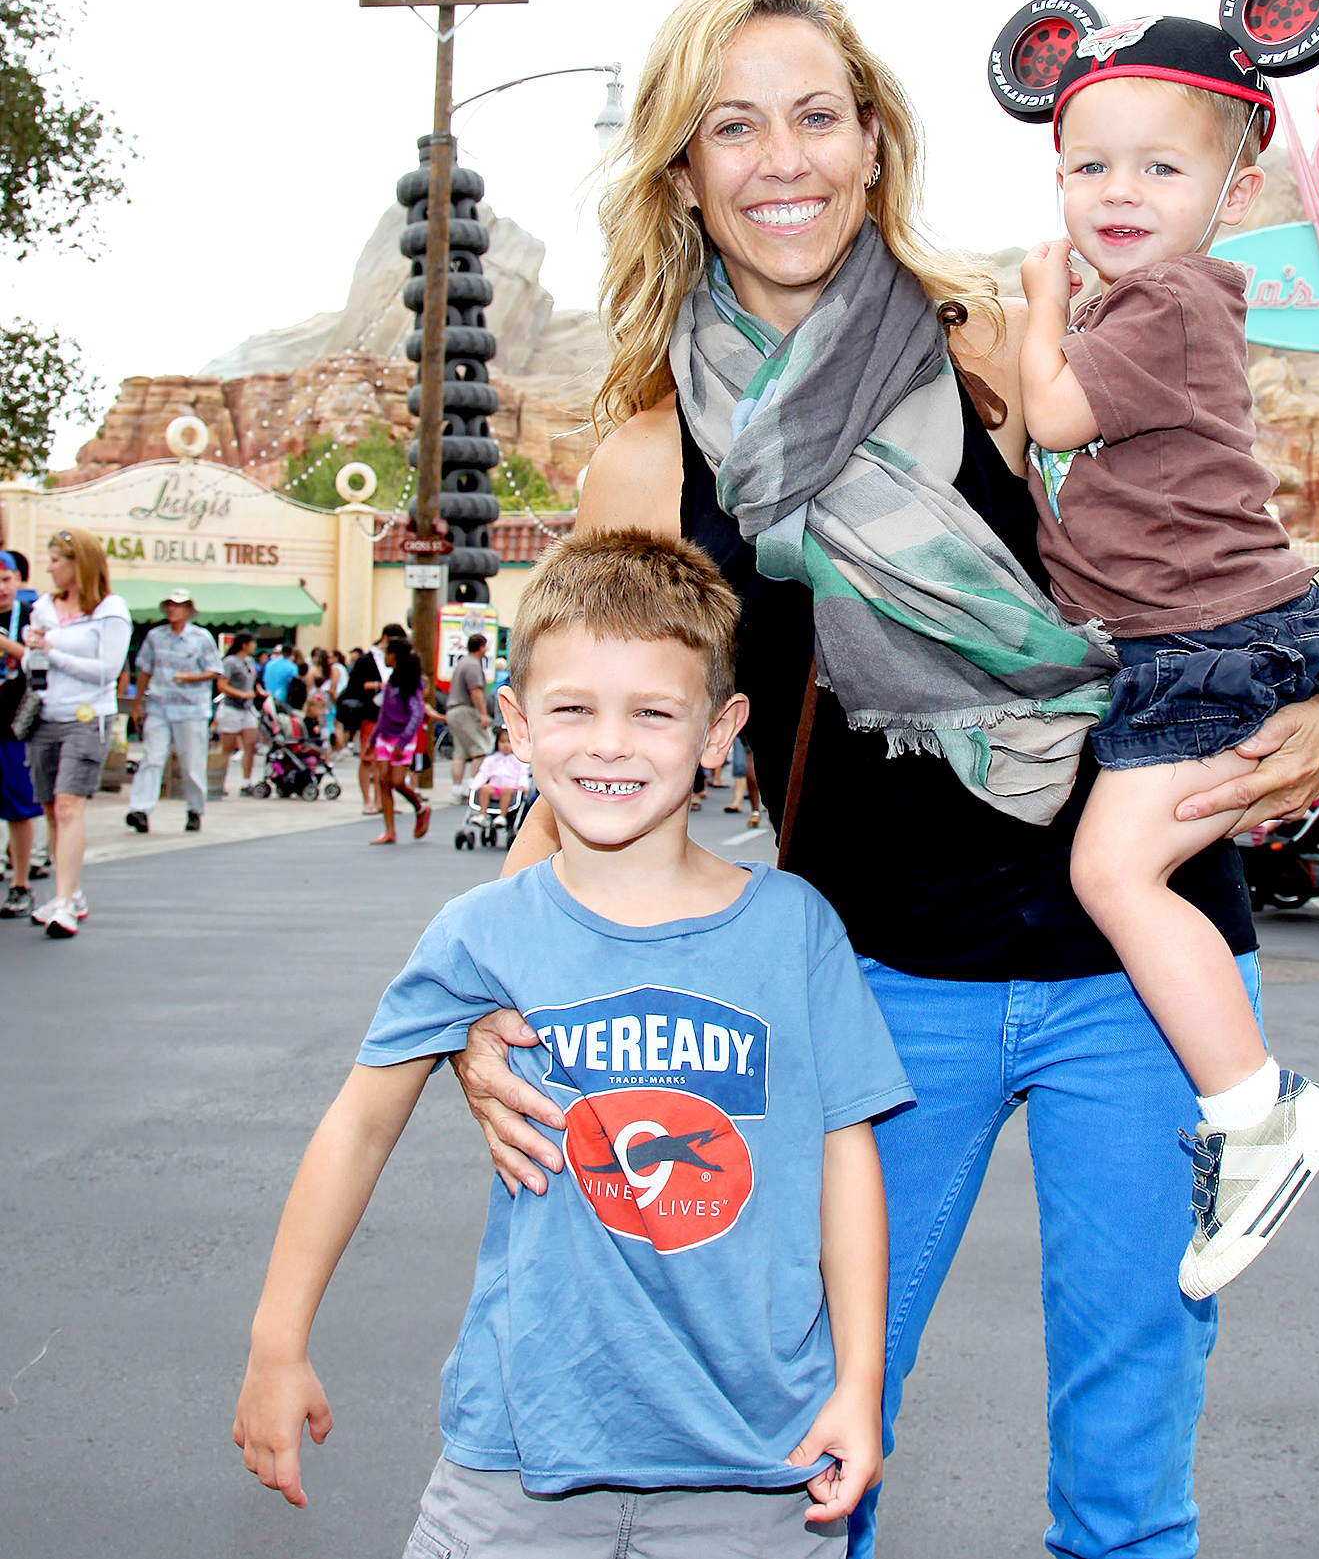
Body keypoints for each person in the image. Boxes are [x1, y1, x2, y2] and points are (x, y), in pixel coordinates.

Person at [442, 0, 1319, 1559]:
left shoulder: (1000, 348)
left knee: (1131, 1468)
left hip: (1142, 969)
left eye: (817, 115)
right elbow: (595, 772)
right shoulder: (652, 458)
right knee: (814, 1441)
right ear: (683, 170)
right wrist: (483, 997)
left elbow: (1204, 533)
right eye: (734, 127)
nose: (783, 159)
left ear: (873, 141)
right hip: (875, 989)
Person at [233, 530, 907, 1553]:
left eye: (653, 712)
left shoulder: (794, 927)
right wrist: (275, 1341)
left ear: (720, 731)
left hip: (759, 1464)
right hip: (517, 1463)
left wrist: (860, 1383)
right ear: (516, 723)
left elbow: (845, 1157)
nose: (610, 744)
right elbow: (358, 1128)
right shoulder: (480, 932)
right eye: (574, 709)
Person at [1014, 11, 1319, 1298]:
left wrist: (1040, 306)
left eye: (1162, 167)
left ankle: (1258, 1110)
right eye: (1091, 166)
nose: (1120, 192)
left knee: (1114, 870)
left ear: (1236, 193)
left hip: (1213, 642)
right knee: (1124, 866)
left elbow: (1053, 414)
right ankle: (1249, 1106)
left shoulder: (1168, 299)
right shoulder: (1146, 305)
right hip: (1200, 639)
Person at [22, 527, 130, 938]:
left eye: (56, 561)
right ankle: (69, 892)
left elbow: (106, 671)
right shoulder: (43, 608)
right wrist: (34, 650)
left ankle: (64, 904)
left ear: (78, 564)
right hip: (45, 714)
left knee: (69, 805)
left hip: (87, 717)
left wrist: (53, 651)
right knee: (51, 808)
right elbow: (32, 666)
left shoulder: (110, 609)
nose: (49, 568)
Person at [124, 587, 221, 836]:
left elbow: (214, 670)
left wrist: (191, 677)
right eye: (170, 605)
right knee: (152, 758)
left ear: (188, 610)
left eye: (178, 605)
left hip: (191, 710)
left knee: (192, 763)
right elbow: (145, 670)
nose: (172, 610)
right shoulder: (155, 637)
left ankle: (195, 809)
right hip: (160, 706)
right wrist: (137, 703)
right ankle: (140, 809)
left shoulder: (201, 638)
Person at [0, 548, 44, 918]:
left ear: (18, 580)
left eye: (6, 580)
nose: (1, 588)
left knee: (18, 806)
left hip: (15, 724)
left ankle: (20, 884)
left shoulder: (31, 616)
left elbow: (37, 663)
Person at [367, 634, 430, 845]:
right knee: (383, 782)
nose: (385, 657)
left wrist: (402, 742)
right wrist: (372, 739)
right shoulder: (391, 681)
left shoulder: (411, 682)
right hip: (384, 737)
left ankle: (420, 808)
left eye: (387, 653)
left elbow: (416, 714)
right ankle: (389, 830)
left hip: (402, 738)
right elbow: (383, 713)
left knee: (397, 781)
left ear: (394, 655)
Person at [342, 626, 401, 815]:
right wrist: (379, 685)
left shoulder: (394, 659)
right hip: (370, 712)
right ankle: (368, 800)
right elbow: (356, 685)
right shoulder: (367, 659)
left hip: (389, 714)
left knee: (385, 759)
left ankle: (381, 800)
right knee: (369, 758)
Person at [444, 631, 494, 798]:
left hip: (453, 709)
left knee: (460, 751)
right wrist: (483, 714)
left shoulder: (462, 663)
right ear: (480, 647)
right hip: (466, 709)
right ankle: (475, 788)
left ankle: (456, 790)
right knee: (480, 748)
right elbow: (475, 691)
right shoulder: (473, 665)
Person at [215, 633, 261, 794]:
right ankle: (219, 781)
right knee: (227, 748)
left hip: (247, 709)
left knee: (250, 744)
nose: (254, 646)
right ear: (244, 644)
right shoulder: (230, 662)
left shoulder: (249, 662)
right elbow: (222, 685)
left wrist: (258, 691)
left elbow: (252, 682)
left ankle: (246, 782)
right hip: (231, 708)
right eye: (252, 643)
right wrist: (241, 694)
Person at [467, 726, 528, 821]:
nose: (506, 745)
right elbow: (483, 773)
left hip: (512, 789)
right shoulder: (492, 759)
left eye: (509, 742)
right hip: (494, 787)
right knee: (484, 789)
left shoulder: (519, 761)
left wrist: (523, 786)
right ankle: (482, 815)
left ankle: (502, 816)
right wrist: (474, 786)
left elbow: (522, 775)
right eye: (502, 742)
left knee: (506, 790)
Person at [260, 643, 300, 710]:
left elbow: (263, 680)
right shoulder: (292, 667)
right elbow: (296, 684)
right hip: (282, 702)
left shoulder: (269, 664)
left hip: (268, 700)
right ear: (292, 654)